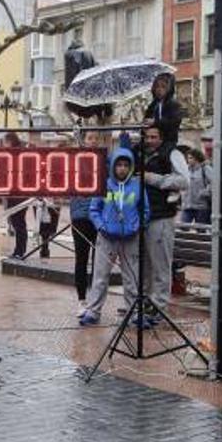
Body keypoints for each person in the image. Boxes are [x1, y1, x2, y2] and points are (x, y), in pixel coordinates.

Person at [79, 147, 148, 327]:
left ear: (131, 167)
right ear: (113, 167)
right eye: (119, 165)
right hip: (107, 238)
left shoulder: (137, 186)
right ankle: (93, 311)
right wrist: (101, 226)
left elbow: (145, 210)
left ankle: (135, 313)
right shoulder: (105, 185)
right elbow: (94, 210)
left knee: (131, 278)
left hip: (131, 239)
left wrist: (137, 226)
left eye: (126, 165)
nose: (122, 169)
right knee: (100, 276)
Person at [140, 124, 189, 319]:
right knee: (145, 264)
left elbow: (184, 181)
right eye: (147, 136)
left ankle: (159, 305)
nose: (150, 140)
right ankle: (145, 301)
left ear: (162, 137)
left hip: (161, 216)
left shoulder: (172, 153)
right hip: (142, 216)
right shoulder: (140, 153)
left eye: (154, 137)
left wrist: (154, 179)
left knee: (160, 263)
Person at [70, 129, 105, 305]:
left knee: (98, 260)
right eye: (90, 138)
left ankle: (95, 298)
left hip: (98, 217)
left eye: (96, 138)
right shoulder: (76, 160)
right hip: (80, 216)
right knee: (81, 258)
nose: (94, 141)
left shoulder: (103, 161)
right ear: (84, 140)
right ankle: (82, 298)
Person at [3, 132, 29, 259]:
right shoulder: (21, 152)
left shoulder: (13, 155)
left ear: (9, 141)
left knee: (18, 223)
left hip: (17, 195)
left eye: (5, 142)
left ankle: (20, 251)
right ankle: (19, 250)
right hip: (19, 194)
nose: (3, 145)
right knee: (19, 223)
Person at [143, 73, 183, 146]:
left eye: (163, 87)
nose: (159, 90)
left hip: (168, 141)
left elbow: (174, 122)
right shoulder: (153, 105)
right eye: (157, 87)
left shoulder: (173, 104)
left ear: (169, 88)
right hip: (152, 142)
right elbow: (147, 119)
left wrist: (155, 122)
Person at [183, 148, 212, 224]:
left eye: (191, 158)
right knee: (183, 228)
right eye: (188, 158)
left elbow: (214, 183)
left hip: (201, 206)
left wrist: (204, 192)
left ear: (197, 158)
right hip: (187, 205)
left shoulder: (205, 169)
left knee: (201, 230)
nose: (188, 160)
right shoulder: (186, 169)